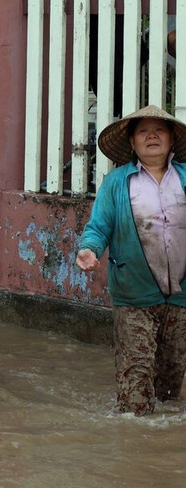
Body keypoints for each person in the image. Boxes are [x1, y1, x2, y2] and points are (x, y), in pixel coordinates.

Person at [76, 105, 186, 416]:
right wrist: (90, 249)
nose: (152, 135)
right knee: (136, 374)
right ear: (133, 143)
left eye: (160, 130)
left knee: (171, 378)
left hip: (182, 295)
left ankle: (157, 449)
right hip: (133, 292)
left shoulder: (185, 177)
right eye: (143, 131)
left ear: (172, 140)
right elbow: (99, 226)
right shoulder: (117, 182)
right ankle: (134, 433)